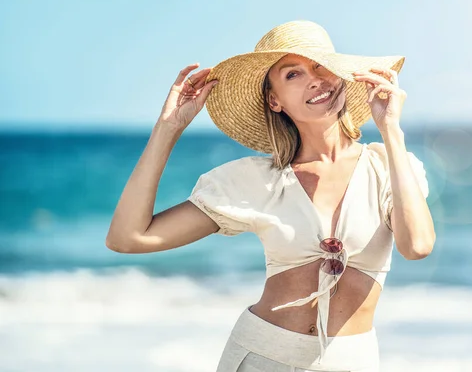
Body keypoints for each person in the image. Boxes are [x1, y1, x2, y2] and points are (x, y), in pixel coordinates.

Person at [106, 20, 436, 372]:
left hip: (352, 361)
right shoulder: (254, 180)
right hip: (261, 357)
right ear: (274, 100)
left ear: (341, 77)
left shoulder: (390, 166)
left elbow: (416, 245)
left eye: (321, 66)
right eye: (293, 74)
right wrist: (168, 128)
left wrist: (390, 130)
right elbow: (129, 238)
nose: (314, 79)